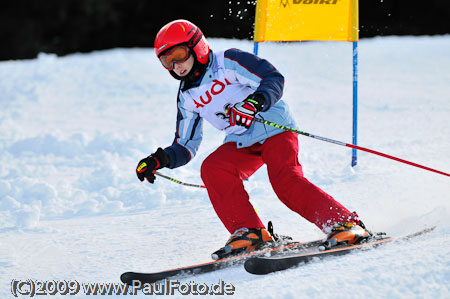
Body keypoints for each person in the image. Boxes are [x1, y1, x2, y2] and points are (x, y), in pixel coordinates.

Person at [136, 19, 370, 260]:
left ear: (198, 46)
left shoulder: (228, 61)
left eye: (179, 54)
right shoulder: (187, 96)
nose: (176, 65)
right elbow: (186, 144)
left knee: (285, 181)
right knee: (213, 168)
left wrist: (253, 104)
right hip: (241, 141)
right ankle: (250, 232)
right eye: (167, 61)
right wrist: (159, 159)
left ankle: (345, 224)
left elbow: (272, 78)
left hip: (275, 128)